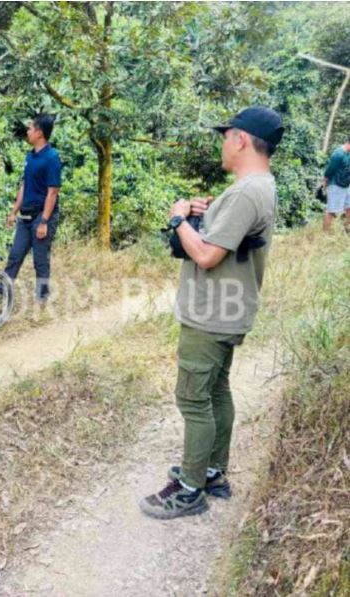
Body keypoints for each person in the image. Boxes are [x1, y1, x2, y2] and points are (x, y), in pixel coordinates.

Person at [140, 106, 284, 519]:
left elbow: (204, 254)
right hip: (231, 308)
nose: (222, 143)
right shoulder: (259, 186)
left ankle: (189, 488)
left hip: (212, 312)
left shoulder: (244, 192)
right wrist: (205, 215)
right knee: (217, 390)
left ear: (240, 139)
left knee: (192, 397)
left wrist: (177, 218)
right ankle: (213, 471)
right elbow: (233, 237)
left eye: (226, 136)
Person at [4, 114, 62, 304]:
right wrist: (14, 212)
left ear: (39, 133)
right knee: (15, 256)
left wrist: (44, 221)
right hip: (26, 216)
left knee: (40, 260)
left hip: (42, 215)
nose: (27, 131)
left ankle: (42, 298)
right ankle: (1, 293)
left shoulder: (52, 158)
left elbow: (52, 192)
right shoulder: (30, 156)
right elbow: (24, 186)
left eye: (30, 128)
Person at [321, 135, 350, 233]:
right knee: (331, 210)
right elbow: (329, 170)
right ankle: (325, 234)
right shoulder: (338, 154)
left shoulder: (348, 154)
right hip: (335, 184)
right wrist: (325, 182)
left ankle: (346, 229)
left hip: (345, 185)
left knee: (349, 207)